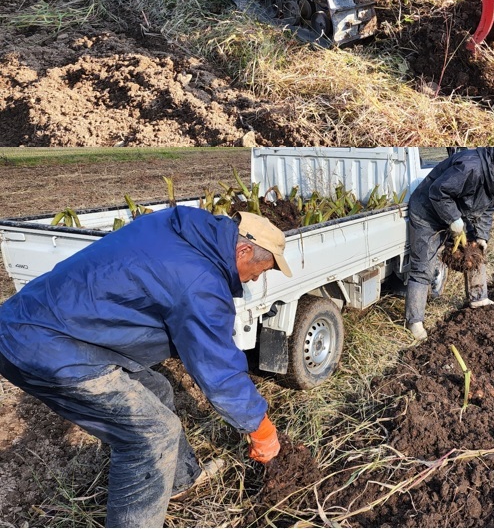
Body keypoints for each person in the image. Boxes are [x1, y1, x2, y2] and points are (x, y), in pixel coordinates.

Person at [0, 208, 291, 528]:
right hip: (45, 347)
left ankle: (180, 481)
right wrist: (260, 429)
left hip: (47, 323)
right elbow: (219, 370)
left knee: (156, 388)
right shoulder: (200, 281)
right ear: (244, 250)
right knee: (153, 435)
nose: (253, 279)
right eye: (258, 271)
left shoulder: (179, 227)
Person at [401, 147, 494, 339]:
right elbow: (438, 192)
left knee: (475, 253)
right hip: (427, 212)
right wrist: (453, 219)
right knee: (423, 267)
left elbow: (488, 207)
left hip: (458, 215)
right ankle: (414, 321)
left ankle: (478, 298)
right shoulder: (470, 167)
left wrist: (481, 236)